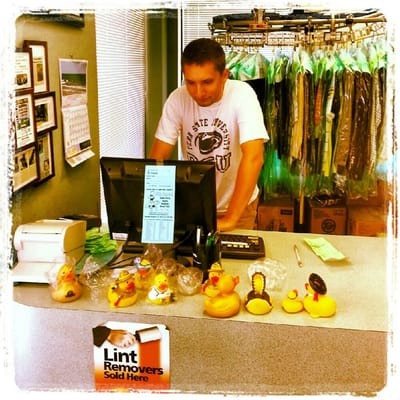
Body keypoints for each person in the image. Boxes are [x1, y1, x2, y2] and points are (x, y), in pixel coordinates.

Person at [150, 38, 269, 232]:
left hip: (238, 206)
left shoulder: (243, 95)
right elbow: (158, 158)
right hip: (195, 204)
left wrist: (230, 219)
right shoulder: (177, 99)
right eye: (190, 82)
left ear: (224, 75)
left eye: (207, 82)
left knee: (233, 261)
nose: (198, 92)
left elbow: (254, 157)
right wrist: (155, 211)